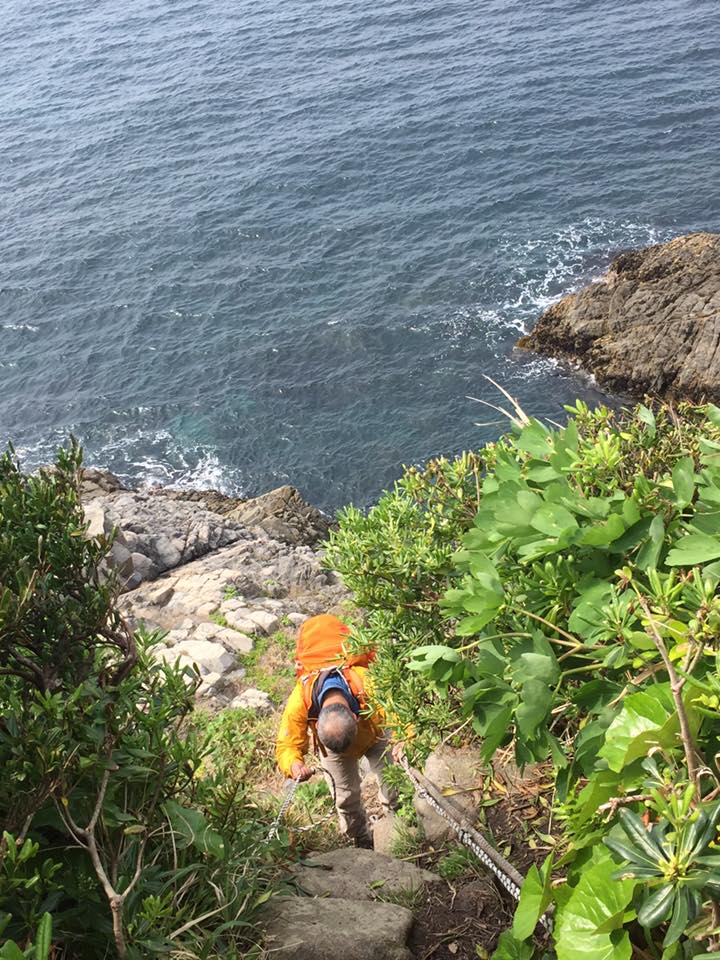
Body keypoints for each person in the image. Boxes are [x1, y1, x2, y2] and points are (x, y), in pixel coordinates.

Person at [275, 614, 399, 849]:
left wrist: (404, 740)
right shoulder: (301, 699)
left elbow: (398, 712)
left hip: (375, 729)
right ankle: (360, 838)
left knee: (394, 783)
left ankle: (398, 823)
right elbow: (287, 743)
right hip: (335, 744)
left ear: (355, 715)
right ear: (316, 723)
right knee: (345, 799)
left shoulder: (365, 681)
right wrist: (294, 765)